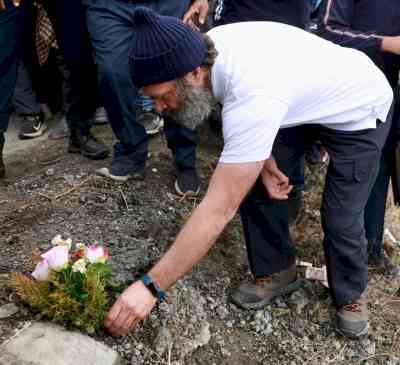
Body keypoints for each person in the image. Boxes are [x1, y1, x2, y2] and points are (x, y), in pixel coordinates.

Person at [104, 8, 392, 339]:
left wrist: (151, 288)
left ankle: (350, 296)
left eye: (160, 97)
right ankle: (277, 269)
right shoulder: (208, 50)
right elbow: (242, 110)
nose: (158, 109)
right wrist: (265, 161)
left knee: (341, 216)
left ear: (194, 74)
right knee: (254, 178)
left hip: (359, 107)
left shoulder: (252, 88)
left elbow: (217, 210)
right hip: (297, 100)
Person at [86, 0, 208, 195]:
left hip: (169, 3)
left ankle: (186, 161)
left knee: (177, 73)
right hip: (109, 6)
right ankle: (131, 152)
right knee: (112, 72)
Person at [316, 0, 400, 266]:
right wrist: (385, 43)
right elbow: (326, 31)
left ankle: (371, 248)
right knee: (359, 172)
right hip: (354, 94)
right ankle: (351, 257)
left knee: (383, 167)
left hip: (393, 94)